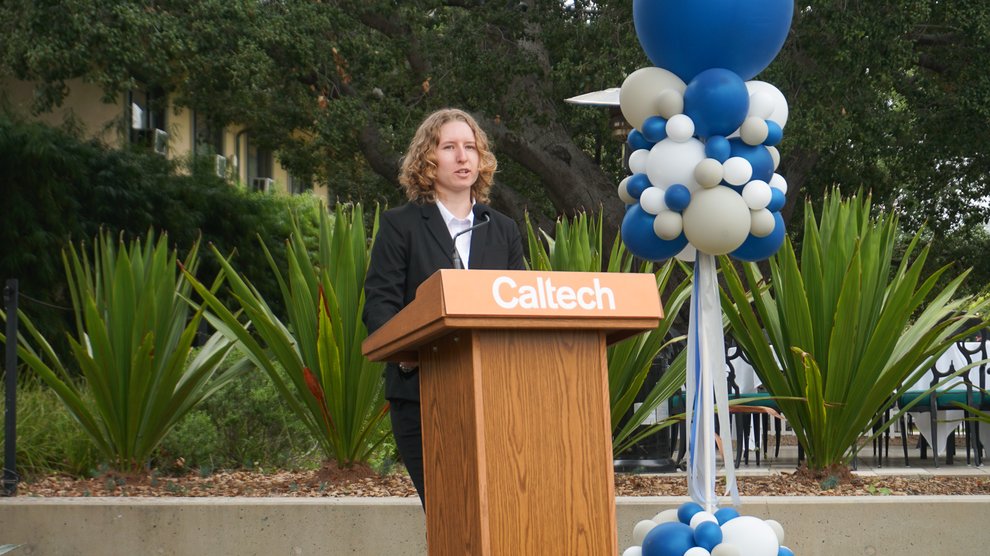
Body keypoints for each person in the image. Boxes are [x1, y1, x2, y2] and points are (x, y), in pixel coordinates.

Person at [362, 108, 525, 507]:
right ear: (427, 160)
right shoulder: (401, 225)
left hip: (496, 398)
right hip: (423, 397)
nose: (462, 156)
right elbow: (379, 309)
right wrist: (408, 358)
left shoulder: (501, 228)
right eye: (449, 147)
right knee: (450, 514)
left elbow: (524, 303)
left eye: (470, 147)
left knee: (499, 513)